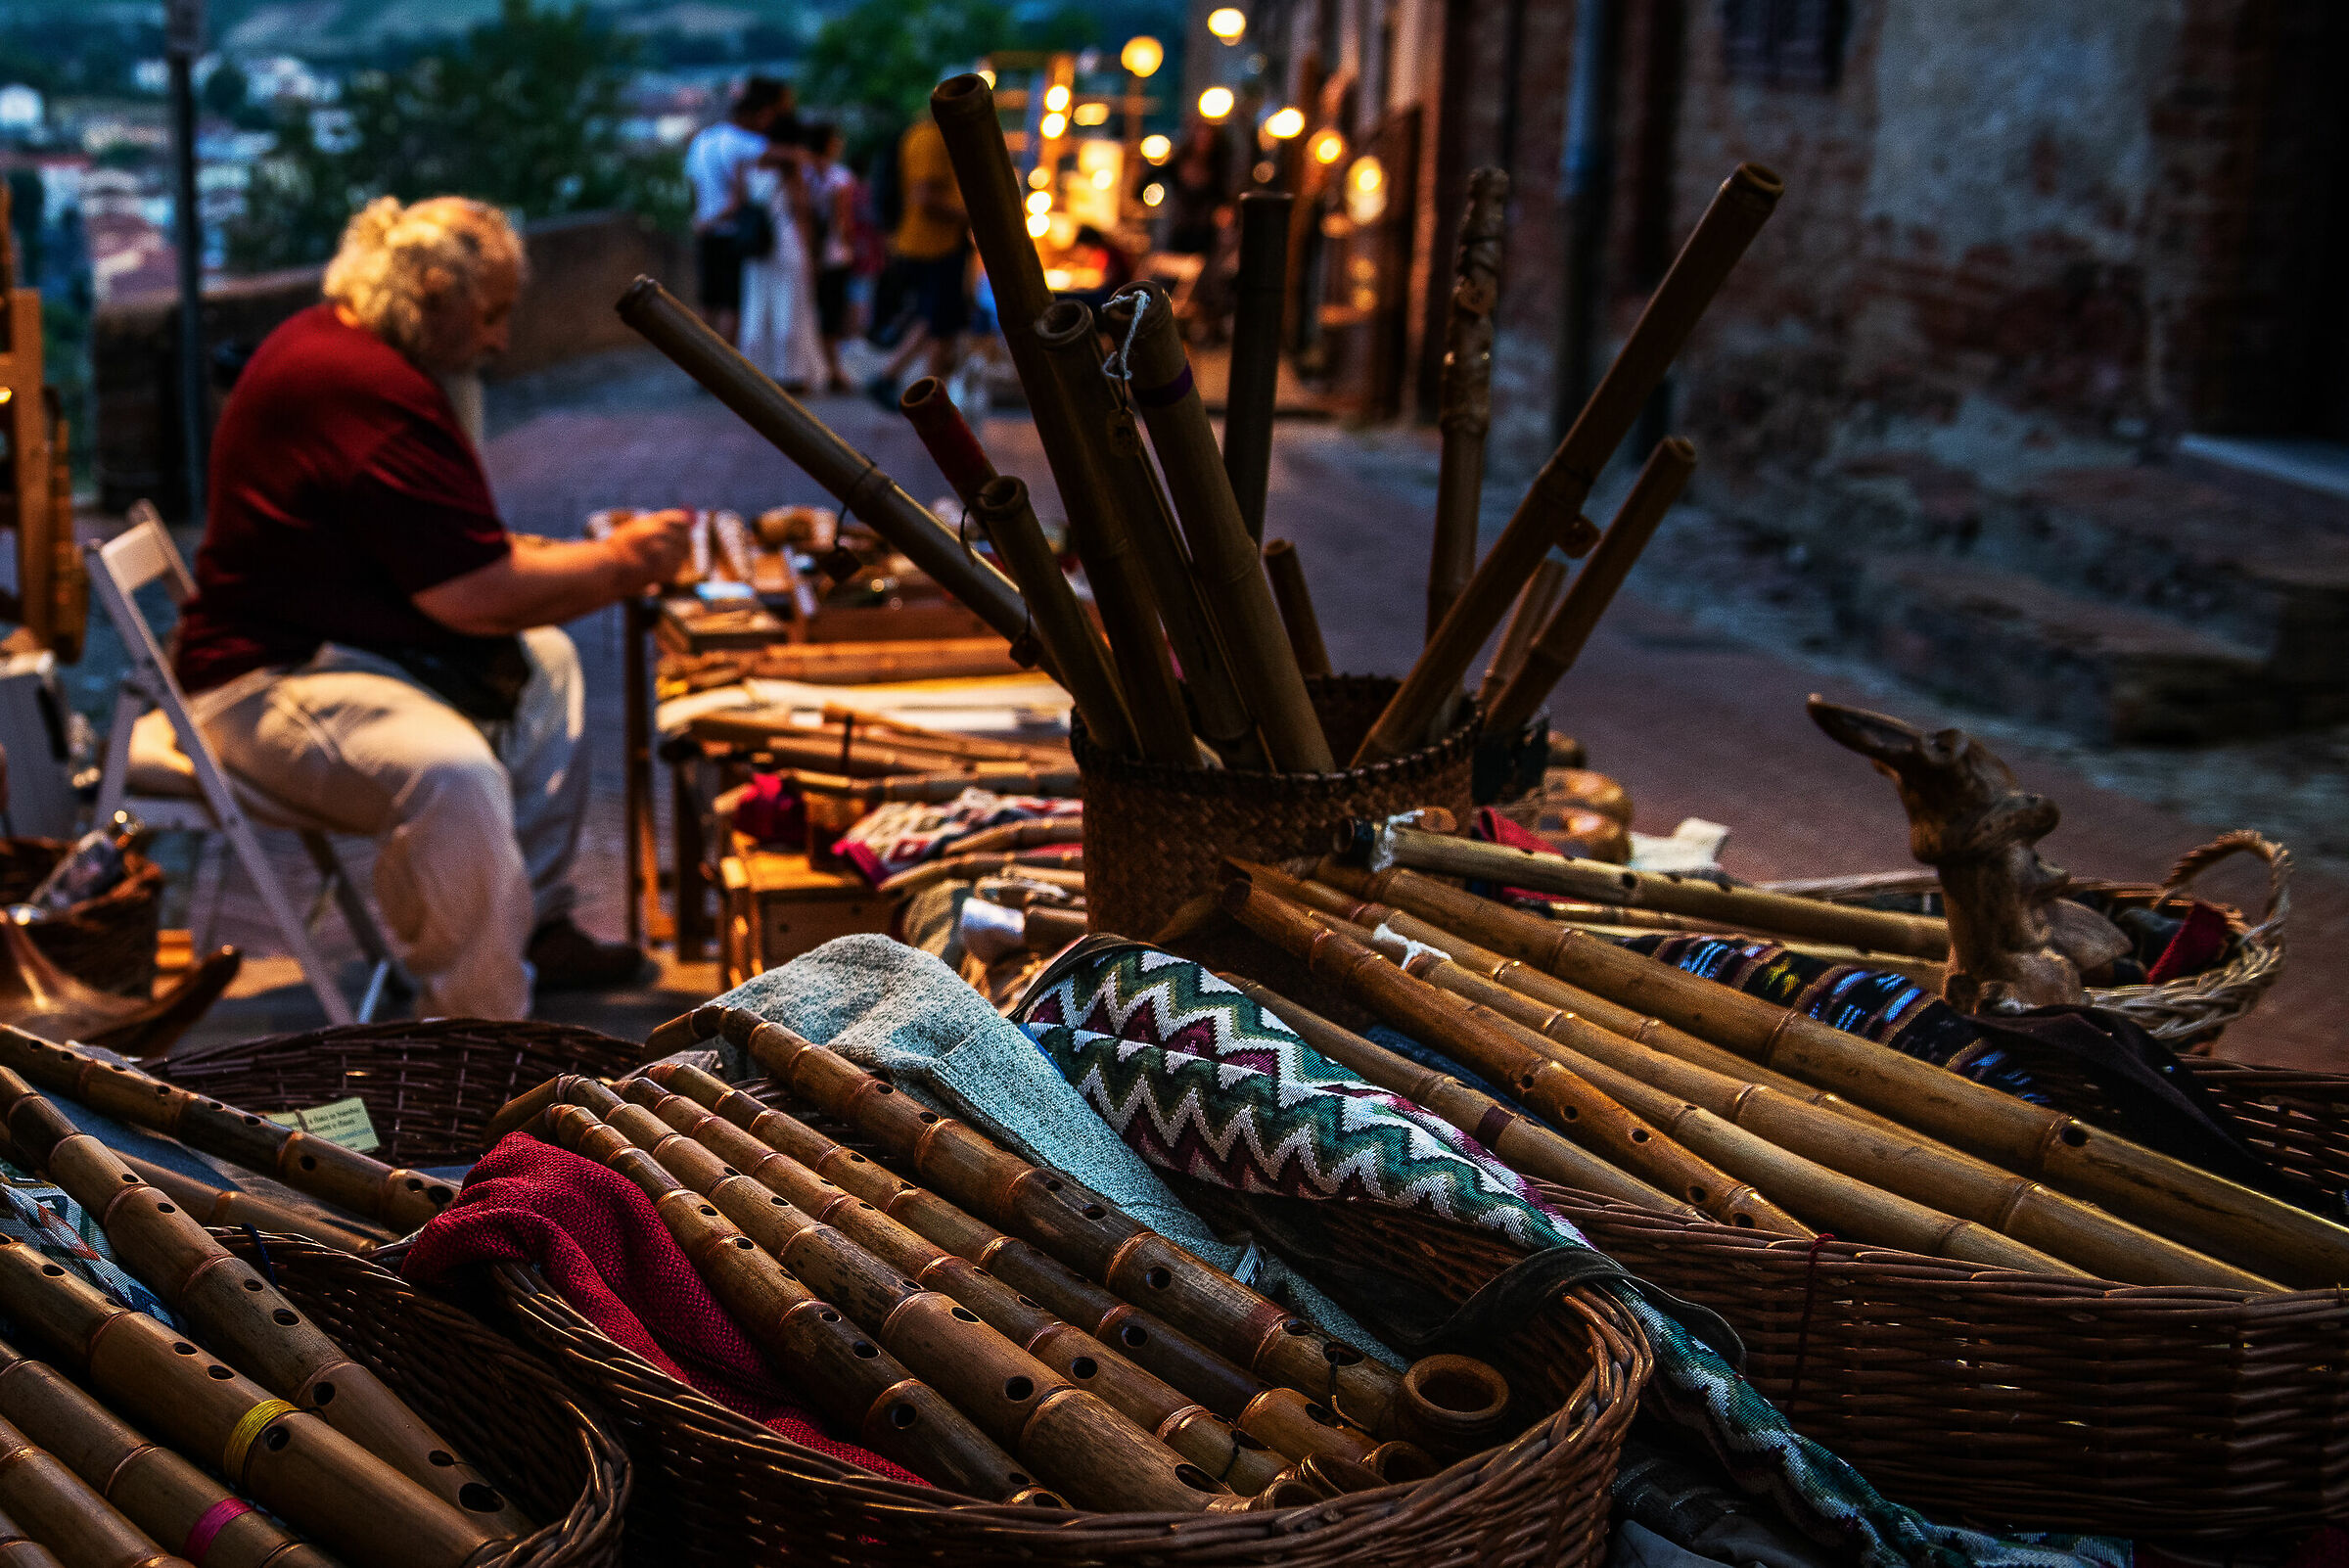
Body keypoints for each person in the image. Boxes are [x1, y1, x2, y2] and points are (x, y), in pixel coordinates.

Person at [172, 196, 694, 1020]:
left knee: (547, 661)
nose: (499, 341)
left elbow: (448, 546)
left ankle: (529, 927)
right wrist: (626, 563)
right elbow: (475, 596)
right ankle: (478, 1021)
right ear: (430, 297)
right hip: (262, 684)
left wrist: (576, 560)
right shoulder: (362, 385)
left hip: (341, 649)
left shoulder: (358, 353)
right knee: (450, 774)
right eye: (489, 315)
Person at [864, 114, 970, 407]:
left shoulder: (923, 135)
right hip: (933, 245)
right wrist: (971, 215)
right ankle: (931, 397)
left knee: (937, 319)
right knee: (940, 323)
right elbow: (923, 197)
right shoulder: (929, 138)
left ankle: (900, 380)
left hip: (933, 243)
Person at [683, 76, 789, 345]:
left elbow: (695, 188)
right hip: (734, 232)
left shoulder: (701, 140)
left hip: (706, 231)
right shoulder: (749, 144)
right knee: (732, 303)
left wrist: (703, 220)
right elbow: (740, 199)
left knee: (708, 302)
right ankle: (722, 360)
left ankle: (696, 356)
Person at [735, 123, 827, 391]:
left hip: (757, 247)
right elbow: (803, 214)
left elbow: (740, 201)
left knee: (757, 309)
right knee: (791, 307)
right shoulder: (791, 169)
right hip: (786, 242)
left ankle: (757, 370)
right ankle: (791, 372)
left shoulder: (748, 166)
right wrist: (811, 254)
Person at [805, 124, 859, 392]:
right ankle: (833, 368)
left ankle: (819, 365)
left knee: (814, 311)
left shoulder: (803, 173)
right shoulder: (839, 177)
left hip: (807, 251)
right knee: (833, 313)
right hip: (835, 253)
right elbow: (843, 221)